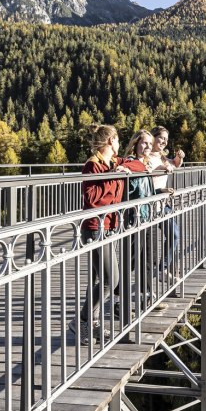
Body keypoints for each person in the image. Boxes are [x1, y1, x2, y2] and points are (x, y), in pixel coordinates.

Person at [73, 124, 131, 344]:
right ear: (110, 141)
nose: (119, 144)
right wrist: (111, 176)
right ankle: (82, 320)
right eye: (118, 140)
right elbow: (91, 197)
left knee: (100, 278)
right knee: (110, 279)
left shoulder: (113, 163)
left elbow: (135, 163)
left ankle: (92, 325)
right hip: (95, 227)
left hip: (109, 225)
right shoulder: (93, 165)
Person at [123, 129, 168, 312]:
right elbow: (131, 190)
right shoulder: (132, 163)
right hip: (136, 217)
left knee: (149, 257)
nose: (148, 146)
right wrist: (142, 170)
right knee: (132, 260)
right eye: (144, 143)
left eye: (150, 143)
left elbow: (145, 192)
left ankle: (147, 297)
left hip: (147, 215)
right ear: (136, 144)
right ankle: (119, 298)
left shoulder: (143, 164)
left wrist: (160, 191)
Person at [145, 126, 184, 276]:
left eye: (166, 139)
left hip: (162, 204)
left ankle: (163, 269)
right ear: (153, 137)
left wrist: (179, 157)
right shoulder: (146, 156)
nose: (164, 142)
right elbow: (145, 172)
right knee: (147, 245)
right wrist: (161, 167)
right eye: (161, 138)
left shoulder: (161, 157)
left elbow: (174, 164)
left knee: (174, 234)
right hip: (149, 205)